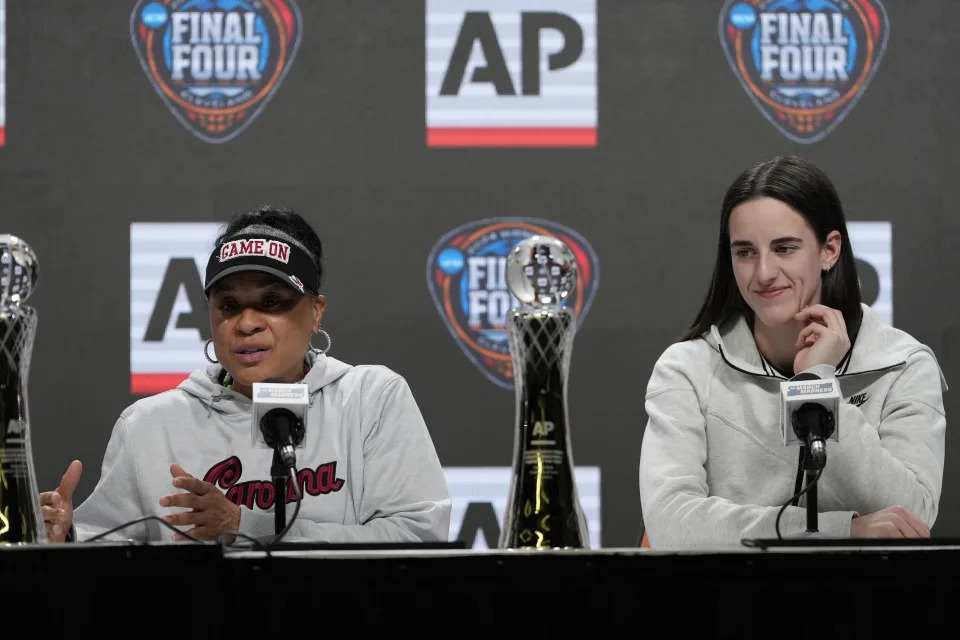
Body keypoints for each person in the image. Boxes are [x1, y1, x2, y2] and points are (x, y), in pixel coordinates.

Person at [41, 205, 452, 544]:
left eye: (272, 302)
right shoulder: (149, 425)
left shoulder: (370, 399)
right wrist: (68, 536)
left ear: (316, 311)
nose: (247, 323)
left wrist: (244, 528)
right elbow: (108, 547)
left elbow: (417, 539)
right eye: (229, 306)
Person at [639, 156, 947, 548]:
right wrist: (842, 532)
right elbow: (670, 524)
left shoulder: (903, 364)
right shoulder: (687, 368)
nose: (764, 272)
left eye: (784, 248)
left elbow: (911, 518)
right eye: (745, 252)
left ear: (829, 250)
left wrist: (817, 384)